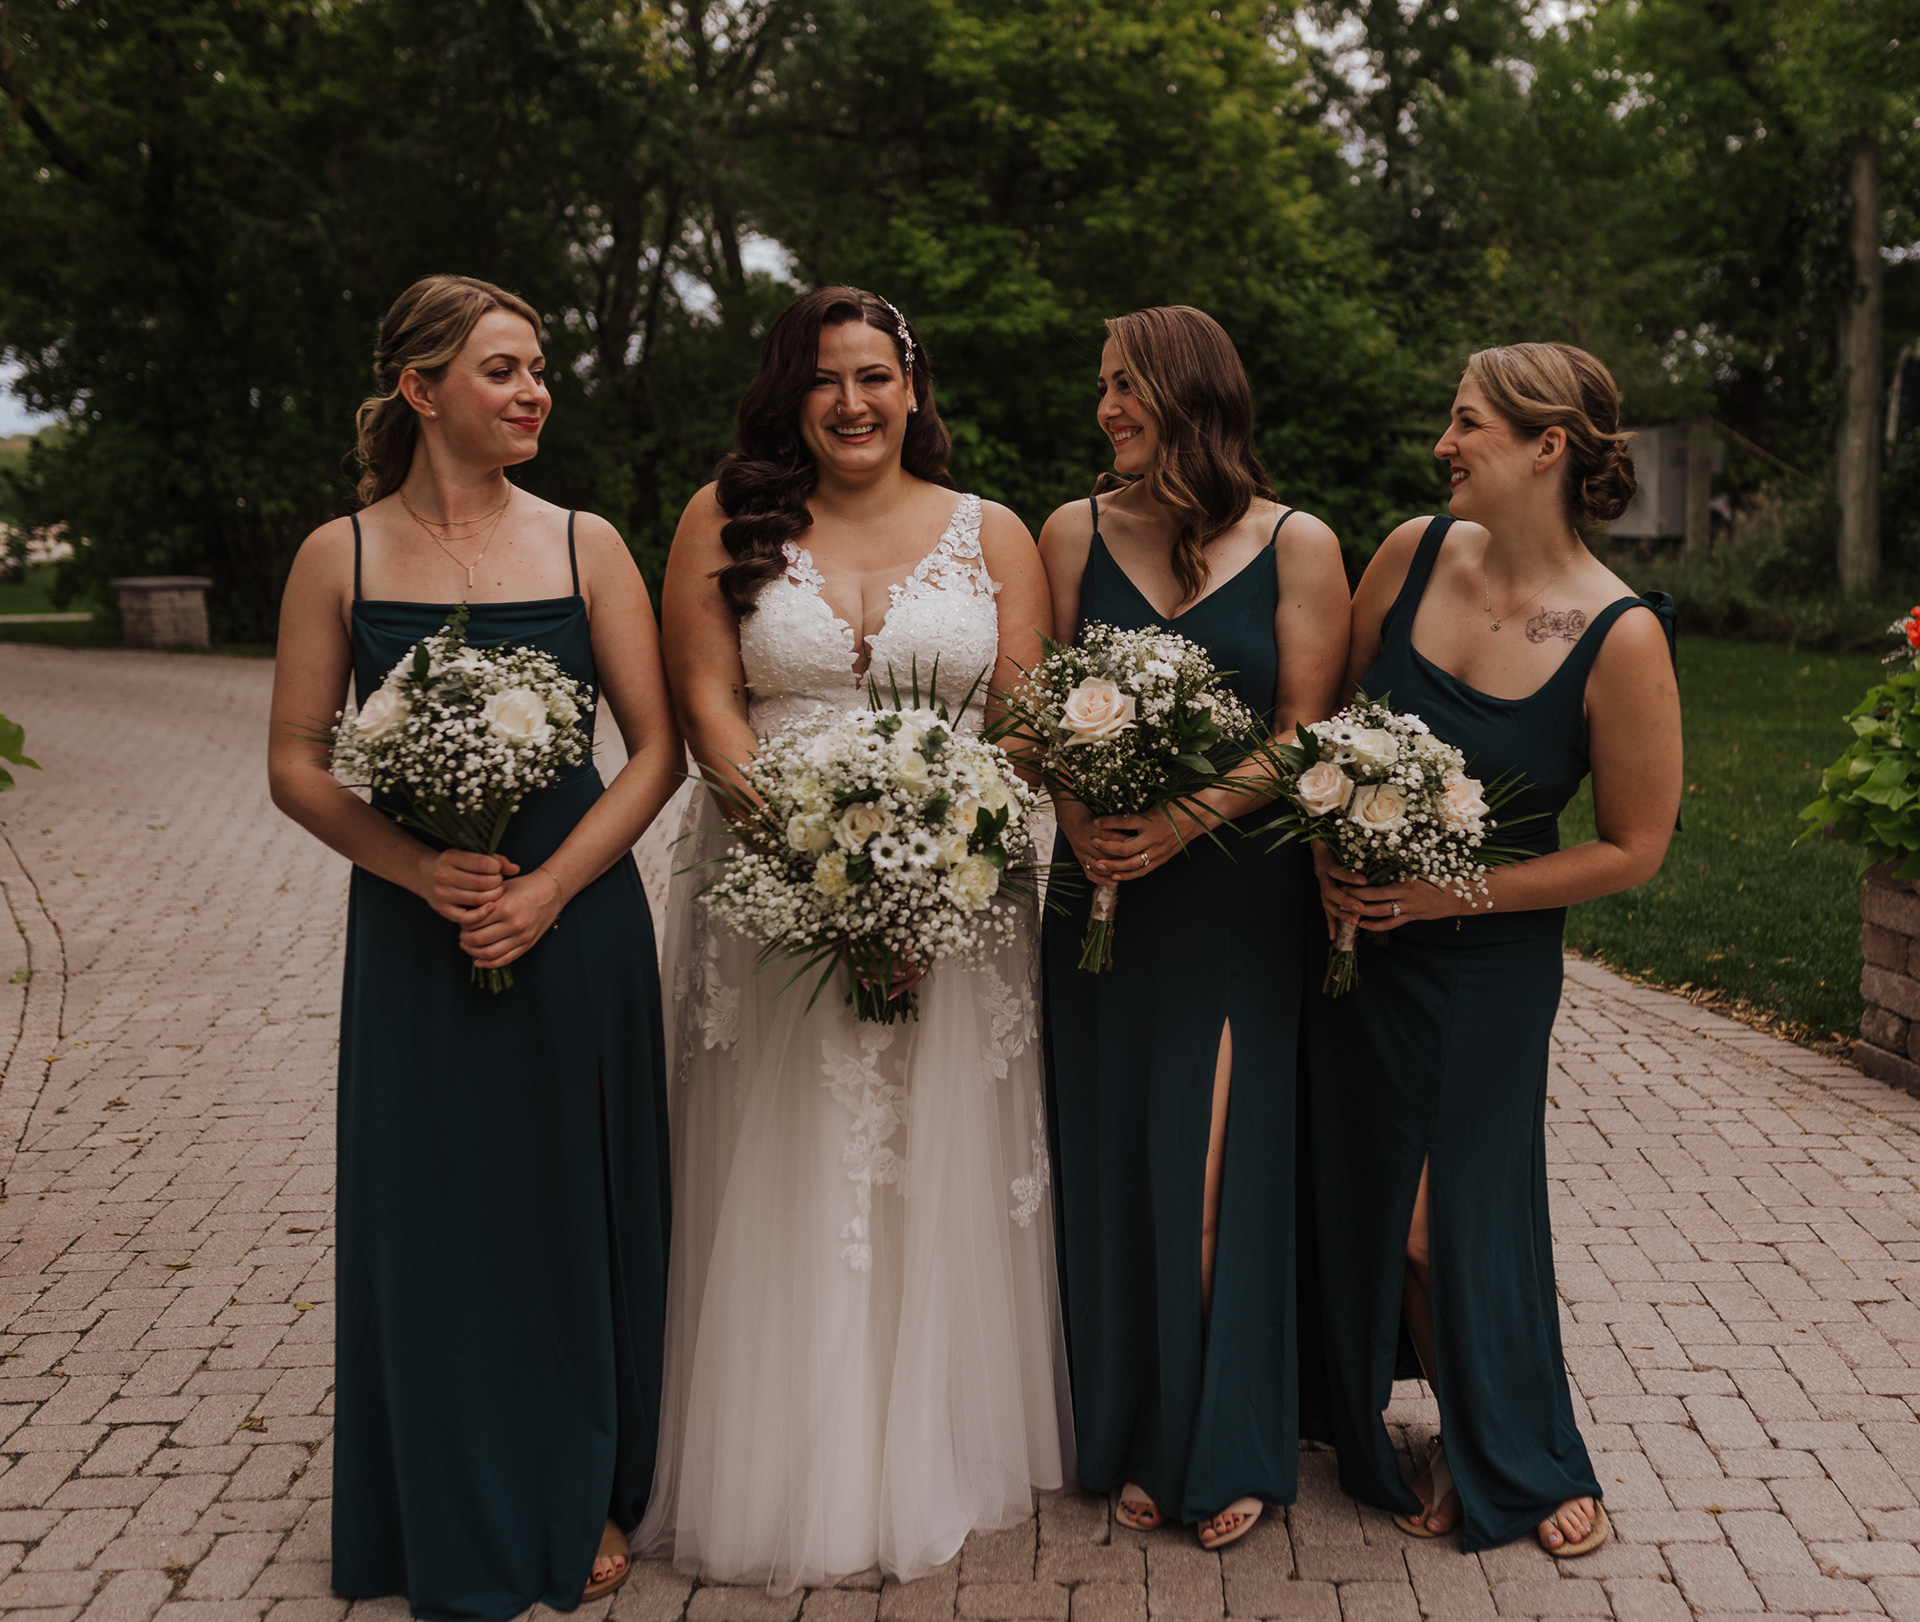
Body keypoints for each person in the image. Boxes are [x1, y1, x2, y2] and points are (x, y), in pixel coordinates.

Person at [638, 287, 1071, 1592]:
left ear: (912, 386)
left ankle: (933, 1442)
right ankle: (785, 1464)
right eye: (825, 378)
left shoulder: (992, 530)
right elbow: (708, 703)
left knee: (938, 1150)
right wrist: (817, 864)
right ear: (791, 392)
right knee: (788, 1155)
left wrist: (933, 868)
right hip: (774, 889)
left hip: (959, 894)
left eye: (875, 375)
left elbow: (1022, 722)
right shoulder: (723, 518)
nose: (852, 401)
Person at [266, 275, 680, 1621]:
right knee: (438, 1211)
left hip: (574, 921)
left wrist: (548, 889)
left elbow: (657, 751)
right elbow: (294, 763)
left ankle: (585, 1483)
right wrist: (418, 868)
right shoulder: (338, 555)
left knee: (566, 1204)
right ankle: (437, 1494)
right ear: (420, 388)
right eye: (503, 369)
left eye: (539, 368)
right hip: (417, 932)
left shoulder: (586, 545)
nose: (533, 390)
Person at [1306, 341, 1682, 1556]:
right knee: (1367, 1186)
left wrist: (1446, 894)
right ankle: (1422, 1429)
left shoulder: (1620, 633)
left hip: (1486, 967)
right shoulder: (1412, 553)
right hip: (1358, 946)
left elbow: (1634, 846)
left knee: (1442, 1217)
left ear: (1546, 445)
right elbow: (1330, 731)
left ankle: (1517, 1452)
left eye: (1466, 422)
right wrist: (1326, 847)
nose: (1443, 444)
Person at [1037, 306, 1350, 1548]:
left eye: (1126, 385)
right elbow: (1037, 708)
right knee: (1117, 1168)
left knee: (1212, 1169)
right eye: (1101, 386)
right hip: (1100, 894)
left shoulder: (1300, 542)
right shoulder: (1072, 530)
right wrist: (1083, 822)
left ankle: (1221, 1441)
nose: (1106, 408)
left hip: (1233, 901)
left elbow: (1302, 725)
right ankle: (1131, 1426)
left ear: (1189, 394)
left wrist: (1182, 820)